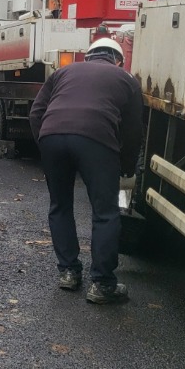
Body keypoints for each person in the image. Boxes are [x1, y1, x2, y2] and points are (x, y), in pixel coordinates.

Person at [28, 37, 143, 304]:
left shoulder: (63, 72)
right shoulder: (126, 79)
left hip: (52, 137)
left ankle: (68, 272)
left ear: (88, 56)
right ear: (118, 60)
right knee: (105, 213)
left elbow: (36, 113)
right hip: (97, 139)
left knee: (60, 205)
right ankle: (102, 284)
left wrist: (46, 144)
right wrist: (126, 166)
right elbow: (133, 130)